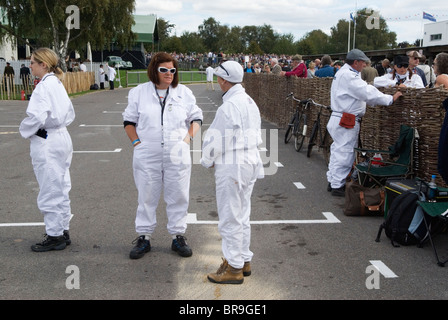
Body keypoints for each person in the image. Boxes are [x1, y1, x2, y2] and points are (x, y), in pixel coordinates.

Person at [123, 52, 203, 260]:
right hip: (147, 151)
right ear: (154, 70)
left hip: (177, 152)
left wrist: (186, 141)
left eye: (172, 70)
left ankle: (178, 236)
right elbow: (129, 122)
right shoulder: (139, 92)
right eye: (164, 70)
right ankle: (144, 237)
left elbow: (196, 119)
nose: (169, 74)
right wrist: (137, 144)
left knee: (178, 194)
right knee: (146, 194)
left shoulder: (183, 93)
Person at [201, 61, 264, 284]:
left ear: (224, 80)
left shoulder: (229, 106)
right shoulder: (248, 101)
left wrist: (206, 159)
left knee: (230, 217)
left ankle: (234, 267)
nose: (218, 81)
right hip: (249, 160)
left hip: (234, 162)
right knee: (242, 213)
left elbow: (218, 138)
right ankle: (243, 260)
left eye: (219, 77)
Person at [19, 47, 75, 252]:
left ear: (43, 64)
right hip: (61, 136)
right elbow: (70, 113)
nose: (30, 65)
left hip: (48, 138)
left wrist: (25, 130)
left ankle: (54, 234)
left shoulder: (44, 87)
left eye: (33, 62)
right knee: (61, 184)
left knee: (50, 186)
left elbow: (36, 117)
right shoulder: (56, 83)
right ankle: (62, 229)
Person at [327, 49, 402, 197]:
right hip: (346, 119)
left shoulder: (344, 73)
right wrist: (389, 99)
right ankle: (337, 185)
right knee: (345, 153)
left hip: (340, 117)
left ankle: (333, 181)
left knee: (337, 151)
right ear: (356, 62)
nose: (364, 65)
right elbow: (366, 92)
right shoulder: (349, 76)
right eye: (363, 62)